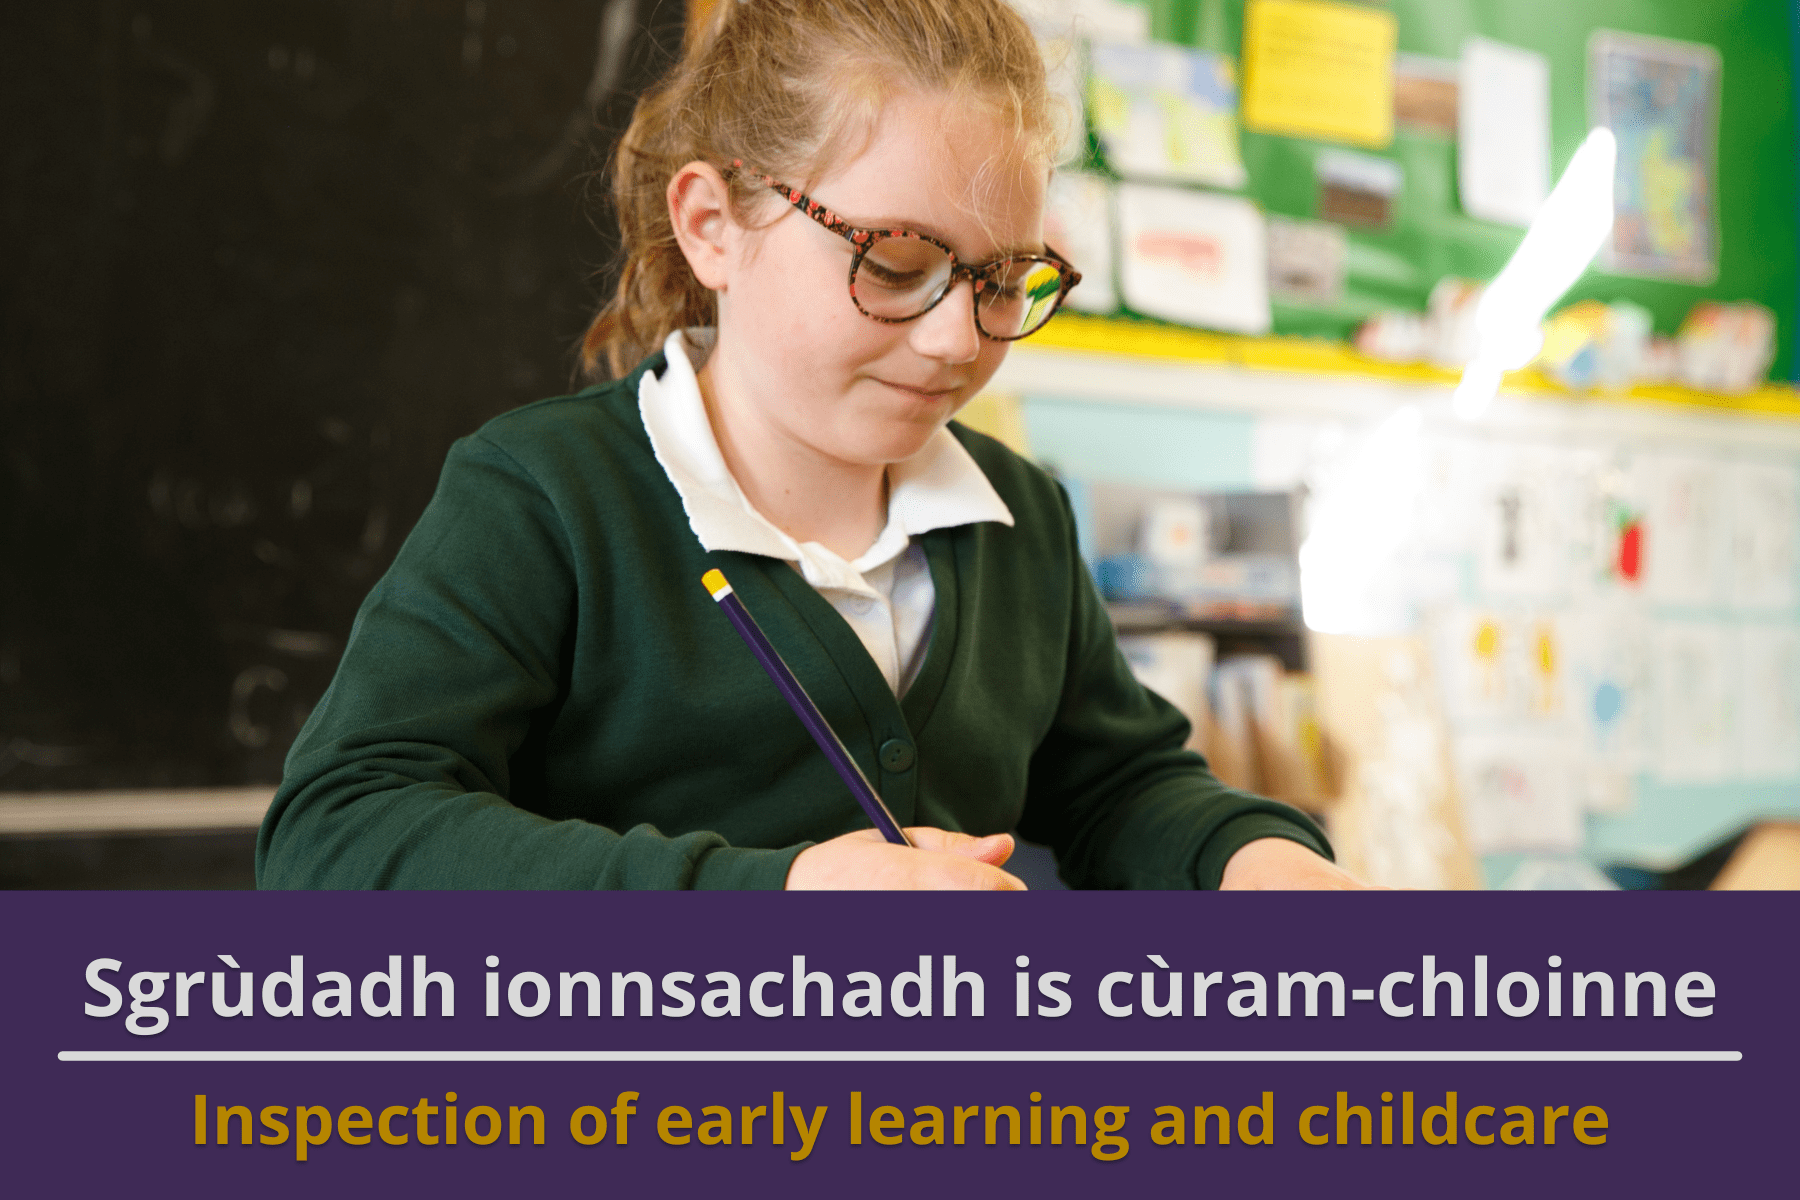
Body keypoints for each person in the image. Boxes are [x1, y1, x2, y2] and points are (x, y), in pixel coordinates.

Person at [257, 0, 1369, 892]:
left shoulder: (1019, 520)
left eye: (1001, 279)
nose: (956, 338)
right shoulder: (544, 498)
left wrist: (1258, 864)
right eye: (892, 264)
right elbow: (337, 838)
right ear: (713, 227)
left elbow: (1117, 785)